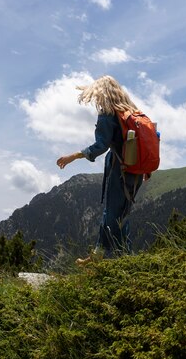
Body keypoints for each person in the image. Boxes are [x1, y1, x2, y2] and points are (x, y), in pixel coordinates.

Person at [56, 75, 144, 263]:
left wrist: (74, 156)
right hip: (137, 170)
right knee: (122, 214)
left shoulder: (108, 113)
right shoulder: (132, 112)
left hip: (119, 168)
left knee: (111, 213)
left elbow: (101, 145)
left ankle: (109, 258)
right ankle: (113, 256)